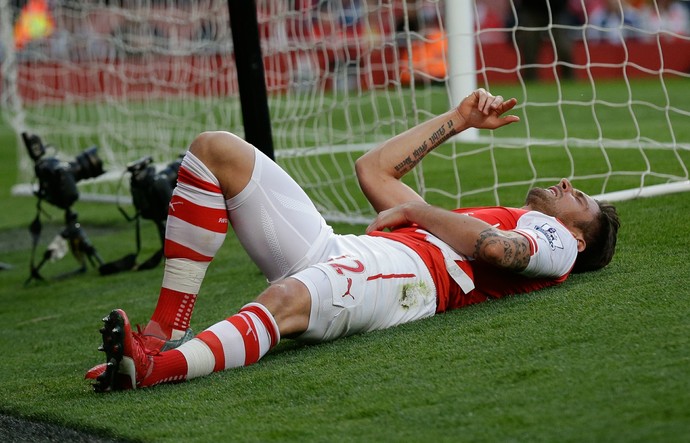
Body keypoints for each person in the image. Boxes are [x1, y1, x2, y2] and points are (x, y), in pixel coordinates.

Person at [86, 89, 620, 392]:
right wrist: (456, 120)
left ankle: (155, 370)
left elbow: (498, 251)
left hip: (410, 280)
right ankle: (162, 332)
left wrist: (415, 209)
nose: (571, 187)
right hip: (358, 250)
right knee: (216, 150)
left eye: (584, 201)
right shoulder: (502, 216)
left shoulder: (558, 242)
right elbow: (373, 171)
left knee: (286, 300)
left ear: (577, 233)